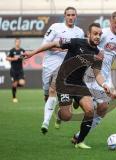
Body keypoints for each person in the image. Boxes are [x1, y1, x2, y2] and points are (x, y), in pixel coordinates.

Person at [24, 22, 113, 149]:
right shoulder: (76, 42)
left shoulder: (99, 54)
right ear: (89, 34)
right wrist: (32, 53)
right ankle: (59, 114)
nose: (98, 36)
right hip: (64, 82)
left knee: (89, 111)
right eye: (95, 34)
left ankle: (80, 141)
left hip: (78, 84)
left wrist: (104, 84)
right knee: (66, 116)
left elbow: (97, 74)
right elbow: (54, 44)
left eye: (100, 34)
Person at [73, 11, 116, 135]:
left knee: (103, 108)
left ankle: (79, 136)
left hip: (103, 78)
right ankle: (78, 98)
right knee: (92, 107)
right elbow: (87, 45)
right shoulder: (102, 34)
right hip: (90, 74)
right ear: (110, 21)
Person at [39, 6, 84, 134]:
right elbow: (45, 44)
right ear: (65, 16)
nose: (70, 17)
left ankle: (45, 123)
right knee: (47, 95)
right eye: (68, 15)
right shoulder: (55, 27)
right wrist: (60, 48)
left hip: (65, 67)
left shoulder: (79, 32)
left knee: (53, 89)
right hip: (49, 65)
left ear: (76, 16)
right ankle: (59, 115)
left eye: (73, 15)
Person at [6, 38, 26, 103]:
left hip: (20, 70)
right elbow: (7, 58)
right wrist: (14, 58)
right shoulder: (12, 50)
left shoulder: (22, 50)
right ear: (15, 43)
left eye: (19, 42)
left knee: (22, 83)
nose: (18, 43)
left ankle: (15, 84)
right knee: (14, 84)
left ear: (20, 42)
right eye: (17, 42)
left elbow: (24, 57)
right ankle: (14, 97)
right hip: (13, 70)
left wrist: (24, 59)